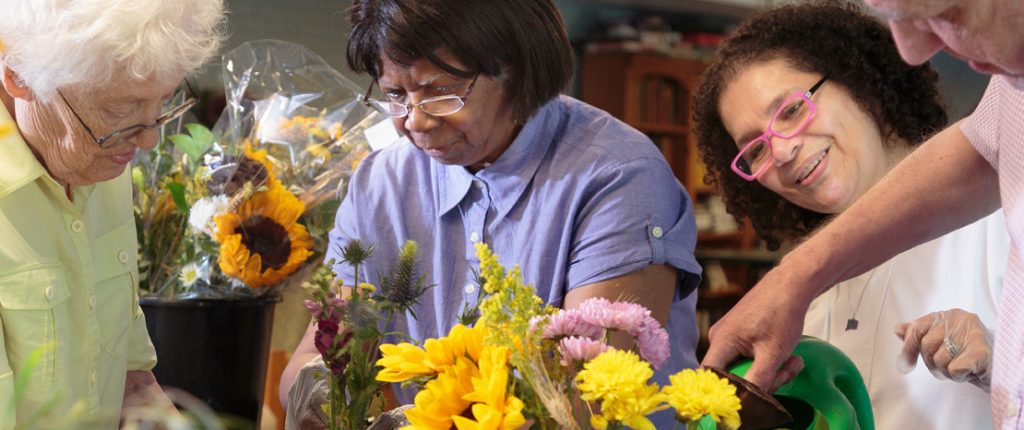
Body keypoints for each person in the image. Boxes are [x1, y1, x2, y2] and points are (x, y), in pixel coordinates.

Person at [280, 0, 702, 427]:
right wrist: (321, 390)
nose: (415, 122)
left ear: (516, 71)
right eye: (395, 95)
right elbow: (324, 351)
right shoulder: (380, 182)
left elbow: (584, 395)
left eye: (440, 92)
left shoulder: (617, 175)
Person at [698, 0, 1024, 427]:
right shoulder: (800, 296)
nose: (782, 149)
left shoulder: (998, 219)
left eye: (793, 110)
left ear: (861, 83)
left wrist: (998, 357)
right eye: (756, 148)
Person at [0, 1, 224, 427]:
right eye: (120, 110)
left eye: (163, 101)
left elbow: (129, 379)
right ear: (19, 76)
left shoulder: (100, 161)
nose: (149, 140)